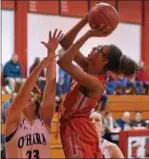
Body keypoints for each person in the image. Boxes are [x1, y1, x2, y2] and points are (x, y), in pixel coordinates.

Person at [57, 14, 138, 158]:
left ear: (104, 60)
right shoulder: (87, 67)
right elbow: (65, 42)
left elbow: (64, 62)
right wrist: (86, 19)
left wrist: (89, 34)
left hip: (78, 130)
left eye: (99, 48)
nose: (94, 47)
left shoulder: (96, 83)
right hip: (75, 127)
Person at [4, 30, 61, 158]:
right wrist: (40, 66)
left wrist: (51, 54)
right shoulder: (13, 118)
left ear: (37, 101)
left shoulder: (44, 120)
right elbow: (23, 94)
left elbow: (50, 89)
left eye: (34, 93)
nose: (30, 94)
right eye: (28, 92)